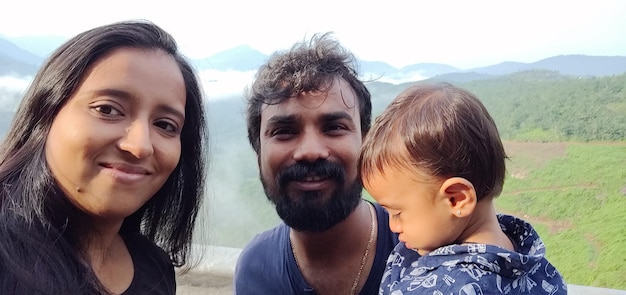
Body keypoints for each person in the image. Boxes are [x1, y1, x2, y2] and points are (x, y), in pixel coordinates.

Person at [0, 20, 208, 295]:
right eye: (107, 110)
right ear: (45, 116)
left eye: (165, 125)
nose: (140, 146)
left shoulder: (154, 268)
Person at [359, 82, 567, 294]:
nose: (393, 226)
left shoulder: (445, 288)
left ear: (457, 199)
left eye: (397, 213)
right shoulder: (536, 266)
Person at [233, 32, 398, 295]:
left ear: (367, 146)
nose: (310, 152)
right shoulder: (255, 270)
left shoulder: (428, 248)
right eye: (284, 131)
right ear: (258, 153)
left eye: (334, 127)